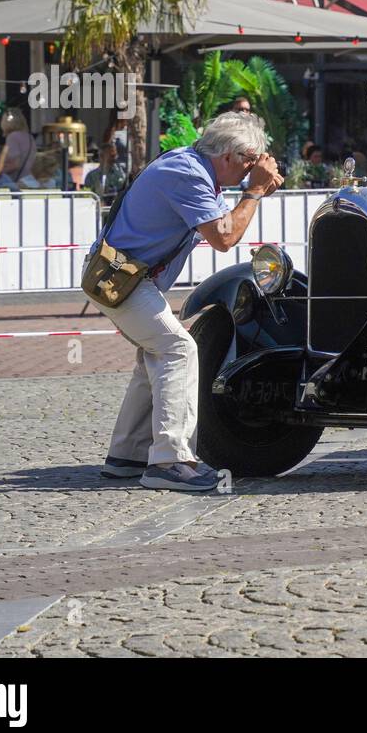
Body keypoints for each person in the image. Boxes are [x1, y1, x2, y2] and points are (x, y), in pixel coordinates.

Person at [93, 111, 283, 492]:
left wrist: (252, 191)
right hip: (120, 279)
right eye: (249, 162)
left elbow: (222, 226)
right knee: (178, 349)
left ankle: (127, 454)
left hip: (120, 276)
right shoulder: (189, 175)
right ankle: (170, 461)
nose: (249, 171)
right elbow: (224, 238)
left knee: (156, 352)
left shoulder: (190, 165)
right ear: (229, 156)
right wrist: (254, 193)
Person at [0, 108, 37, 183]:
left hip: (19, 182)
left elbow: (15, 164)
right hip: (31, 179)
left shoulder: (13, 137)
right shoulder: (29, 137)